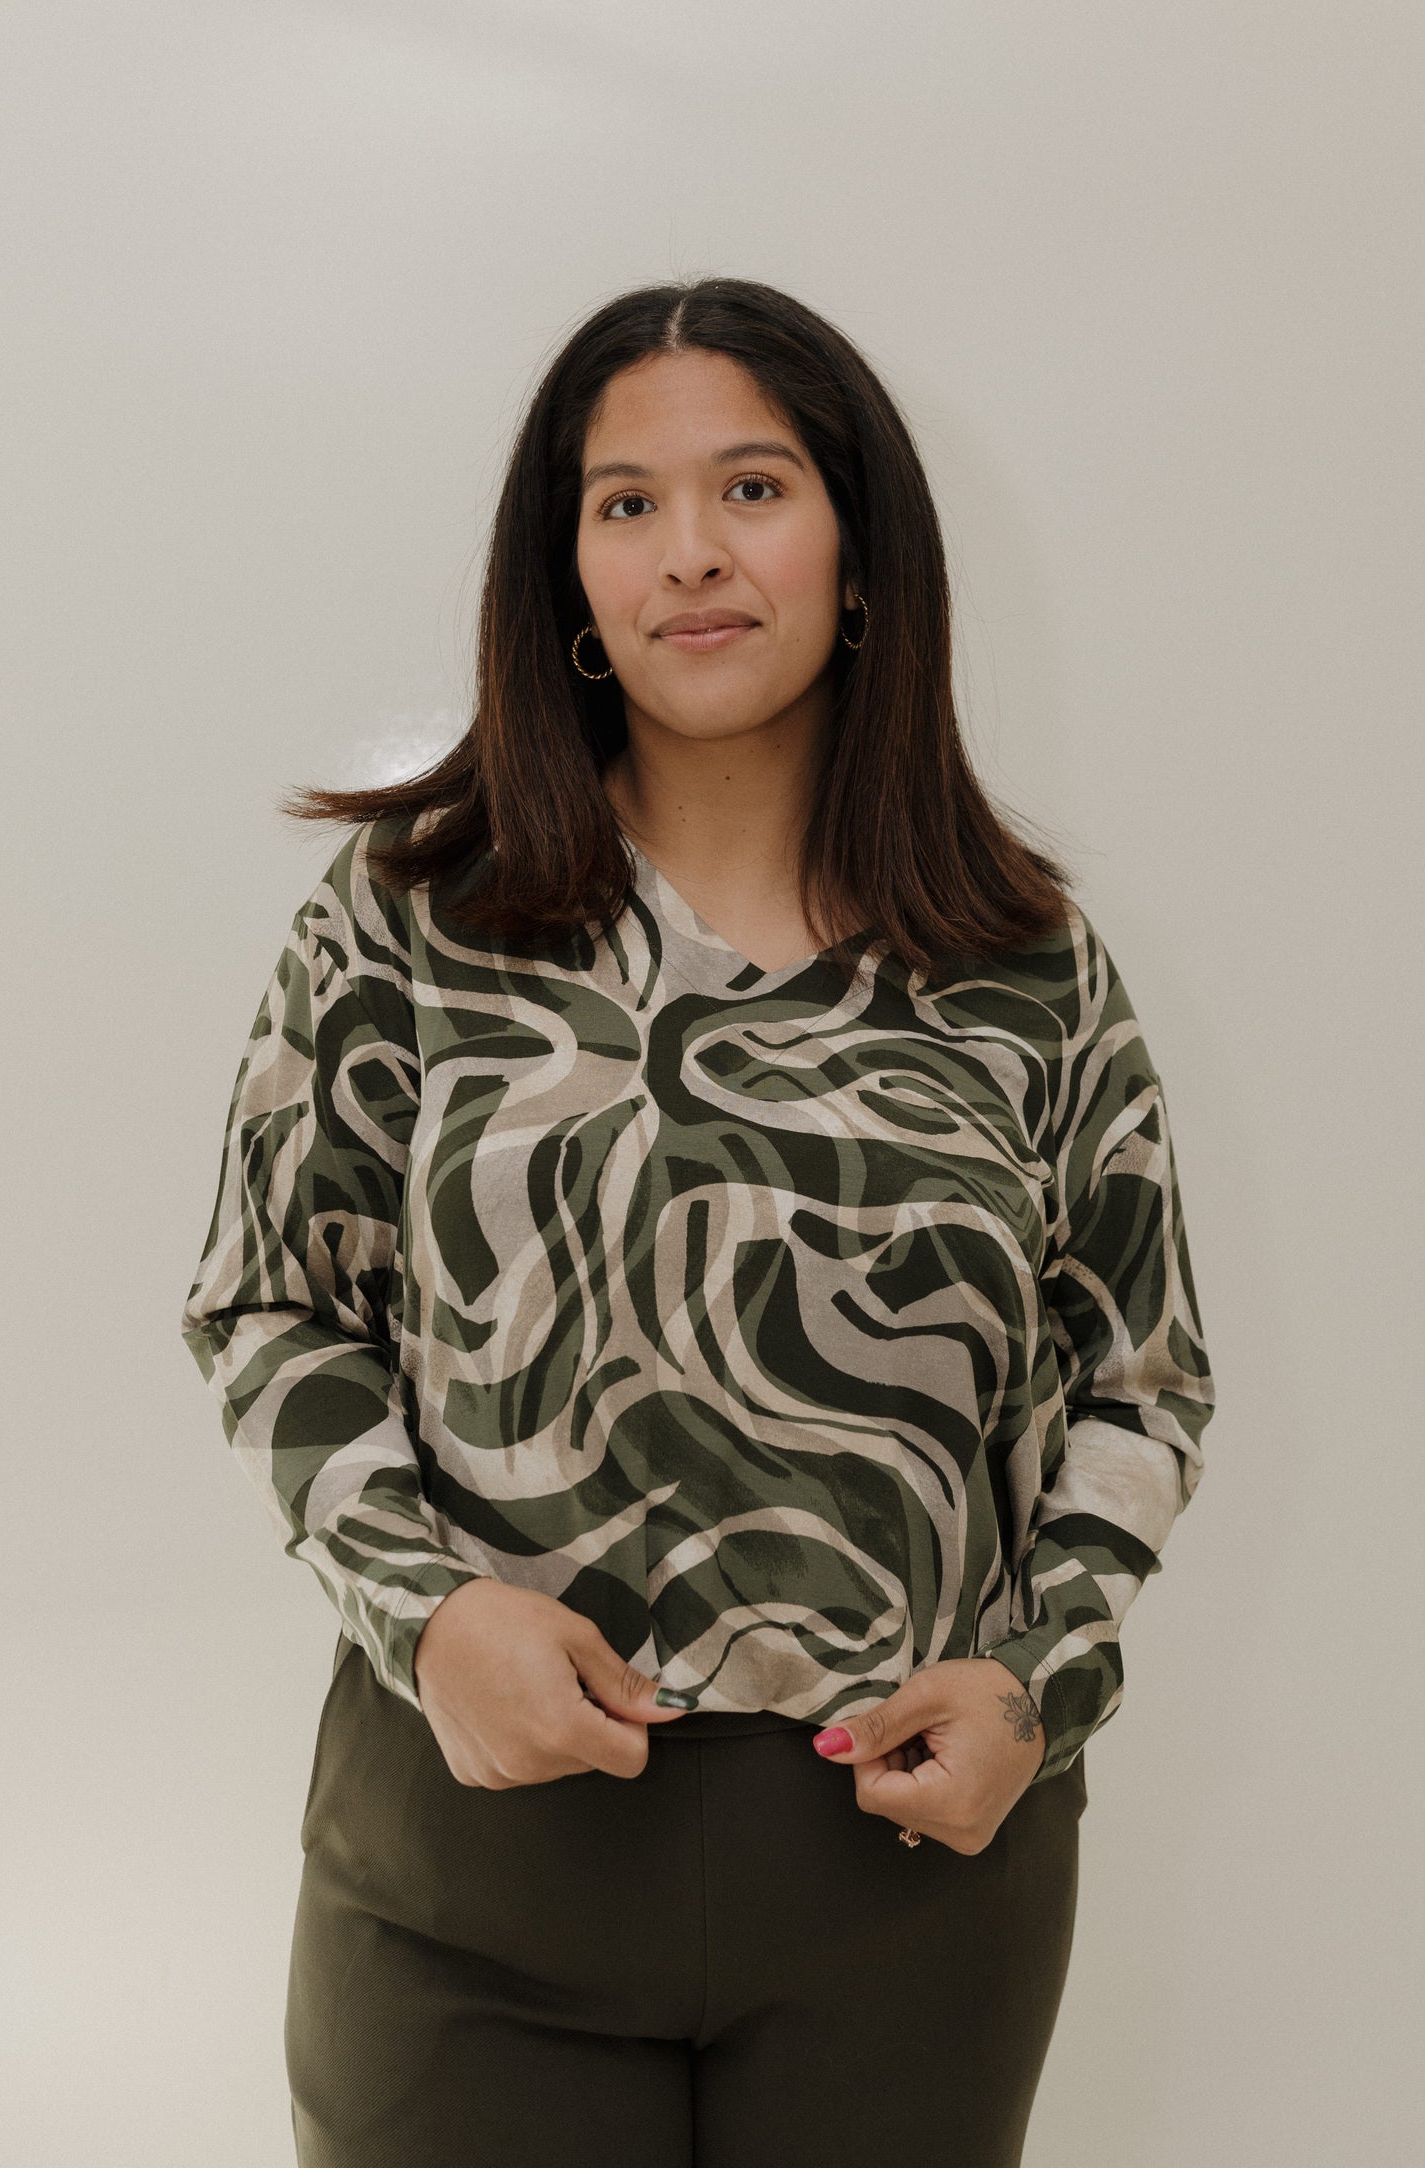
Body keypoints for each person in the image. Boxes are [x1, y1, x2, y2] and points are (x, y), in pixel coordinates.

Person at [180, 276, 1215, 2168]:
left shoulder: (1021, 965)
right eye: (625, 502)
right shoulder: (411, 917)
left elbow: (1137, 1382)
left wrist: (1043, 1680)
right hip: (470, 1871)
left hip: (907, 1892)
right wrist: (426, 1615)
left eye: (751, 488)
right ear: (567, 574)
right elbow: (268, 1307)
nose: (689, 555)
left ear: (859, 548)